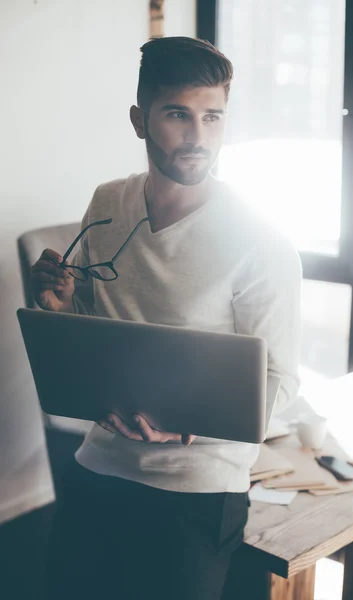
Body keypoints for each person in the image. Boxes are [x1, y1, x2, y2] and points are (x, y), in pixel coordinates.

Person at [31, 36, 302, 600]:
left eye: (213, 117)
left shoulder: (262, 242)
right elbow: (90, 317)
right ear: (139, 120)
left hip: (197, 486)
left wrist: (190, 425)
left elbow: (280, 382)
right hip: (101, 462)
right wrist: (59, 307)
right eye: (179, 114)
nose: (198, 137)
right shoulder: (108, 202)